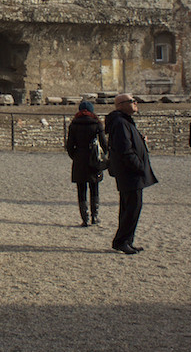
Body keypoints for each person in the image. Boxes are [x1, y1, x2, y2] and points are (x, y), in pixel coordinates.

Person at [105, 93, 158, 255]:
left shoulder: (124, 121)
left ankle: (126, 240)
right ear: (120, 105)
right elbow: (124, 149)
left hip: (130, 171)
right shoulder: (120, 122)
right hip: (130, 172)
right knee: (132, 208)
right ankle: (122, 241)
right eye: (132, 101)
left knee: (131, 207)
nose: (135, 103)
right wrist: (139, 166)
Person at [65, 100, 108, 227]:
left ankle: (85, 218)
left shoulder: (74, 124)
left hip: (79, 158)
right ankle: (95, 216)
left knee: (81, 189)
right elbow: (104, 144)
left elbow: (69, 146)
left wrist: (75, 156)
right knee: (94, 188)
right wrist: (100, 155)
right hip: (93, 158)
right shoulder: (97, 123)